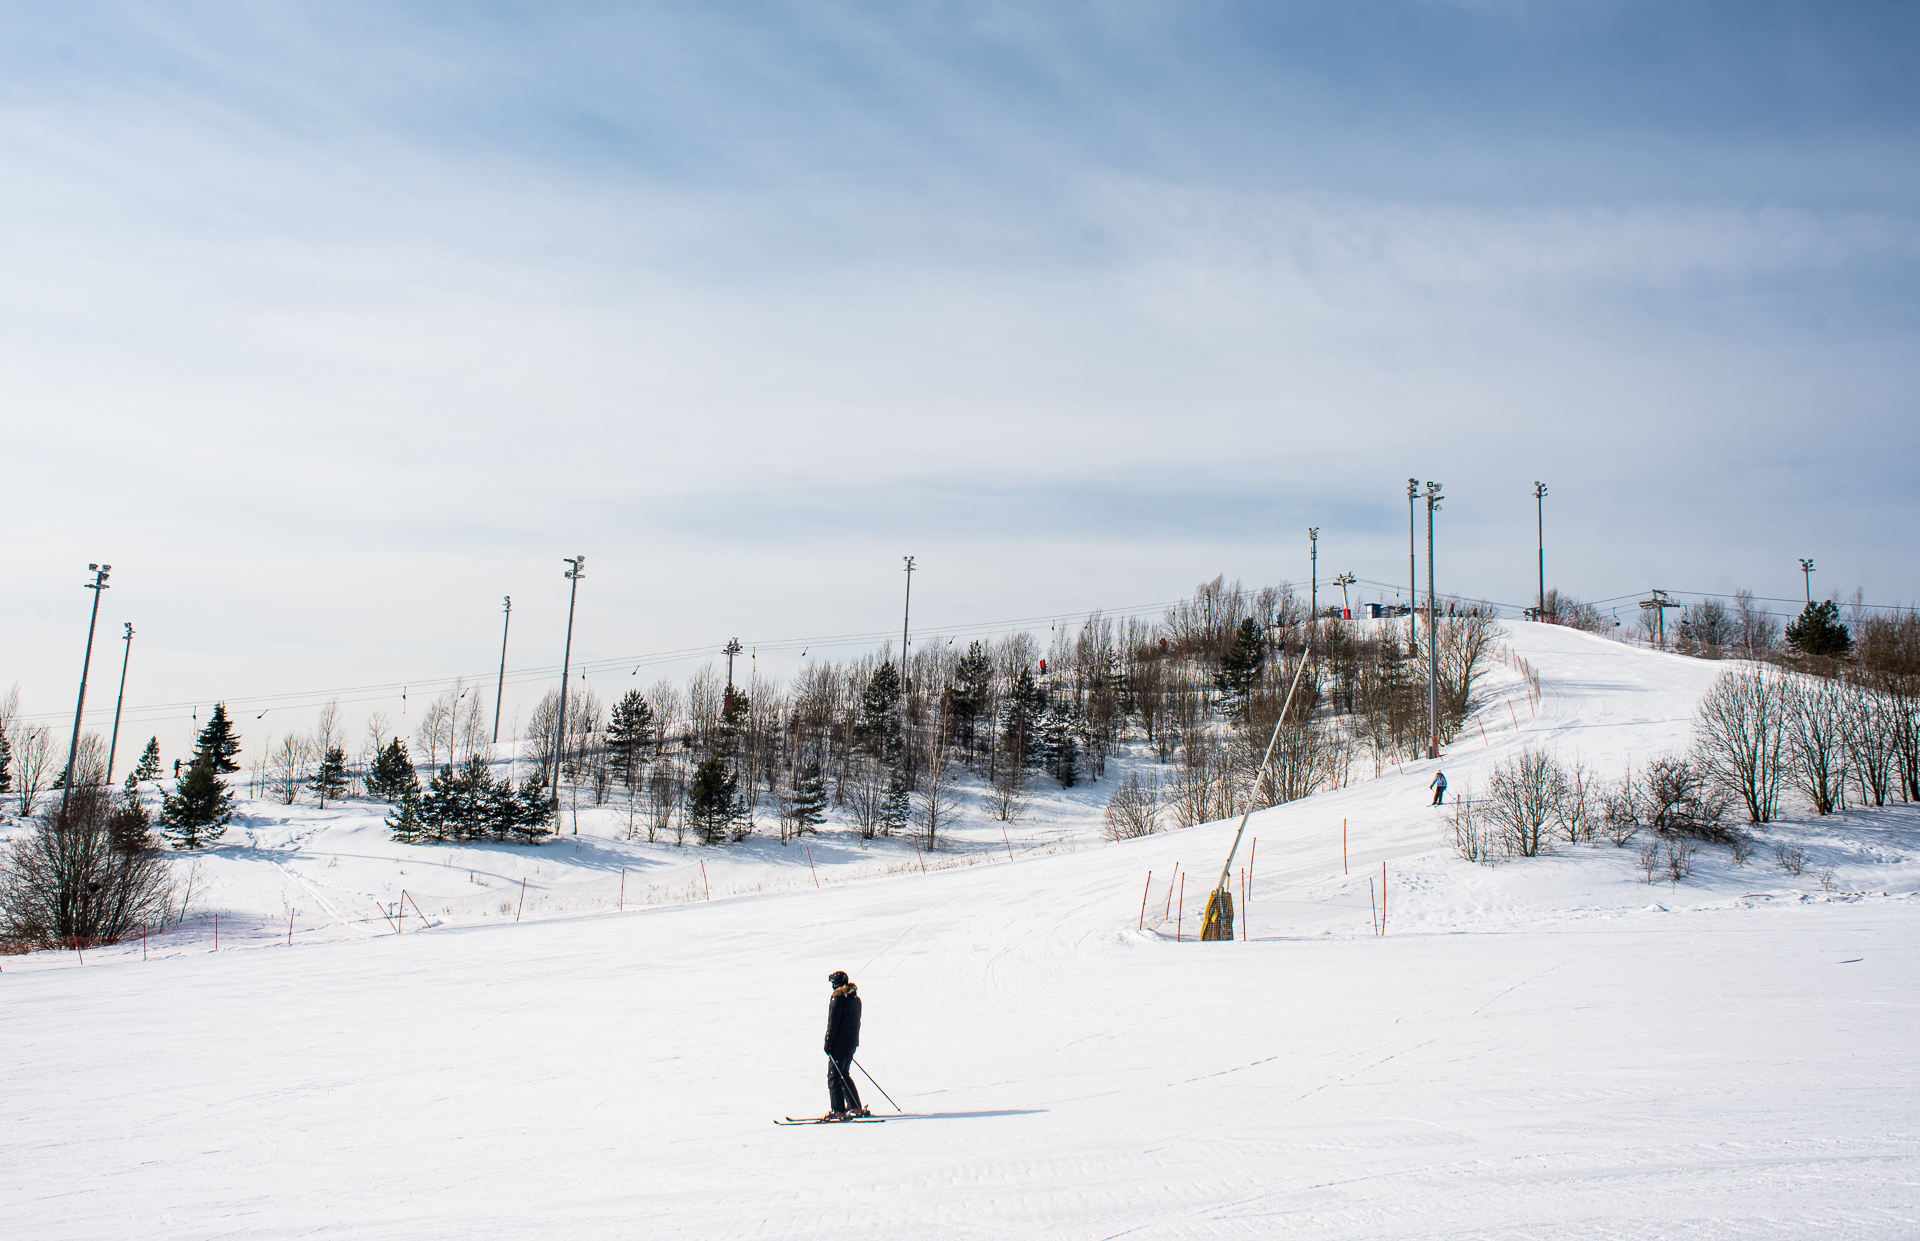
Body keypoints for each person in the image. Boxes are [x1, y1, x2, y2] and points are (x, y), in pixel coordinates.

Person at [823, 970, 866, 1120]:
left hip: (839, 1044)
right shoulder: (855, 999)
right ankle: (855, 1107)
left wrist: (828, 1044)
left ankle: (838, 1110)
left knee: (834, 1076)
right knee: (844, 1074)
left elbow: (833, 1025)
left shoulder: (838, 1000)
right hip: (851, 1043)